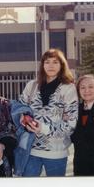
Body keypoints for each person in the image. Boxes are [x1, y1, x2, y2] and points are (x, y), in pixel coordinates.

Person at [19, 48, 78, 176]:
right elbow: (20, 108)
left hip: (56, 150)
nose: (50, 65)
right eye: (47, 62)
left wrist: (43, 128)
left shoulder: (69, 88)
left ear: (62, 65)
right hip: (30, 149)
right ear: (42, 65)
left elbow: (71, 124)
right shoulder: (32, 85)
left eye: (55, 62)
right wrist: (23, 118)